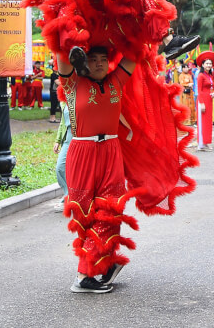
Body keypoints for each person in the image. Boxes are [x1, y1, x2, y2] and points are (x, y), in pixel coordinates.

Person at [56, 46, 137, 293]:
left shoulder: (116, 81)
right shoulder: (72, 84)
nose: (100, 64)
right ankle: (87, 273)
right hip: (82, 153)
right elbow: (62, 52)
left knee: (111, 209)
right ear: (82, 61)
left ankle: (100, 266)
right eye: (93, 59)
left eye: (104, 59)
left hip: (111, 151)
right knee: (85, 213)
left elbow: (136, 53)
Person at [53, 104, 72, 212]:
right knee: (60, 168)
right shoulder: (64, 99)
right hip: (68, 137)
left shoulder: (82, 93)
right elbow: (62, 122)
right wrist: (58, 140)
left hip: (83, 136)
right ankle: (68, 195)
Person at [196, 51, 214, 151]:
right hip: (203, 100)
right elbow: (198, 90)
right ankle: (203, 143)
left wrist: (213, 93)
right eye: (207, 63)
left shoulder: (210, 75)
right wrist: (201, 103)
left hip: (209, 100)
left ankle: (207, 141)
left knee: (208, 122)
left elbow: (211, 87)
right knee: (203, 122)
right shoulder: (201, 76)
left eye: (210, 63)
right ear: (203, 65)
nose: (209, 65)